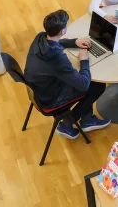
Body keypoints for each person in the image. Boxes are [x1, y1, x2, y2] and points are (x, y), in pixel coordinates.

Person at [23, 9, 110, 139]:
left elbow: (55, 43)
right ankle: (69, 123)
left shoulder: (40, 37)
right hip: (50, 100)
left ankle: (86, 118)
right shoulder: (57, 58)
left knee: (81, 79)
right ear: (62, 31)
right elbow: (83, 84)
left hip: (39, 91)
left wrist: (74, 42)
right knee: (97, 86)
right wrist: (84, 60)